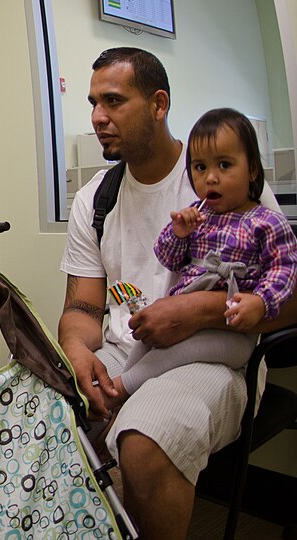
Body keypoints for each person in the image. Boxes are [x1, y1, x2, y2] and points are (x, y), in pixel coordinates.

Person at [57, 47, 295, 540]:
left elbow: (289, 296)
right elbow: (81, 306)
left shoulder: (219, 176)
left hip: (213, 360)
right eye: (93, 103)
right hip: (126, 351)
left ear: (159, 104)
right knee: (43, 412)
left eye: (114, 101)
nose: (98, 117)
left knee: (143, 440)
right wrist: (78, 352)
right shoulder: (94, 199)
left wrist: (202, 310)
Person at [109, 108, 297, 403]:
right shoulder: (199, 215)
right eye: (199, 168)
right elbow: (168, 259)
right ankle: (121, 398)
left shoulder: (267, 222)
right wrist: (178, 233)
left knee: (175, 353)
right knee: (144, 344)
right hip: (180, 315)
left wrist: (261, 301)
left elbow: (283, 271)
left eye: (224, 165)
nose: (210, 178)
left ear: (252, 170)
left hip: (230, 334)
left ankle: (122, 388)